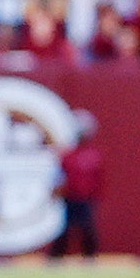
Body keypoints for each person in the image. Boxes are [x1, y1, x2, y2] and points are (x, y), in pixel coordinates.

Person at [56, 111, 106, 260]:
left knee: (87, 228)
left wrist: (96, 196)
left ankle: (90, 257)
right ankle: (56, 257)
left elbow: (98, 180)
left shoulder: (93, 156)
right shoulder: (67, 155)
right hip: (70, 198)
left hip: (86, 199)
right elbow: (60, 177)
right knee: (65, 229)